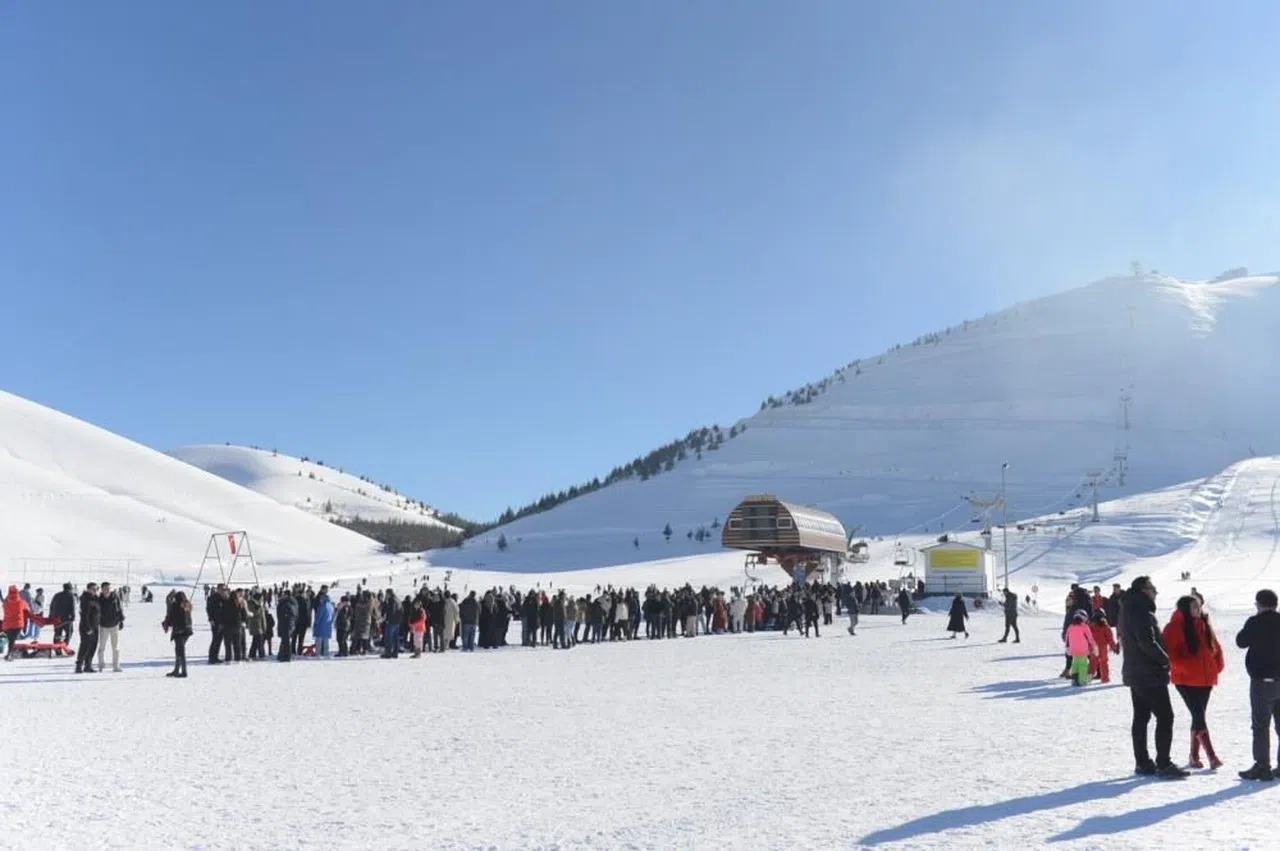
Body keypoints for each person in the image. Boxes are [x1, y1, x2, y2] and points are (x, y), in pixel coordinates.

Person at [1120, 575, 1187, 778]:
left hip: (1136, 671)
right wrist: (1166, 660)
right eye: (1152, 588)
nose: (1155, 592)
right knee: (1165, 716)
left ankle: (1143, 763)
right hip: (1148, 673)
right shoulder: (1140, 610)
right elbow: (1146, 641)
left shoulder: (1129, 608)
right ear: (1143, 589)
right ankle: (1163, 763)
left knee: (1141, 717)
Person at [1163, 594, 1224, 770]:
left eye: (1199, 606)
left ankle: (1194, 756)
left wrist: (1216, 666)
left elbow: (1216, 647)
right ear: (1185, 609)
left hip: (1205, 680)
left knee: (1198, 717)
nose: (1198, 609)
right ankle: (1211, 756)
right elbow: (1170, 655)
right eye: (1194, 607)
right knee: (1199, 716)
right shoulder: (1174, 628)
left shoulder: (1204, 625)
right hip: (1186, 680)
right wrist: (1188, 668)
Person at [1236, 588, 1280, 781]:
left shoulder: (1255, 622)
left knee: (1261, 725)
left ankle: (1262, 766)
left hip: (1261, 681)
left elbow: (1240, 641)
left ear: (1259, 604)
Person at [162, 591, 193, 678]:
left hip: (179, 631)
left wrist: (167, 622)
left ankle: (183, 671)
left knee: (180, 651)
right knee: (179, 650)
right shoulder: (187, 605)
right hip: (187, 631)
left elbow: (173, 619)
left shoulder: (176, 606)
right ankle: (177, 670)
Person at [1065, 610, 1098, 687]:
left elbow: (1067, 638)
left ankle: (1074, 680)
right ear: (1083, 618)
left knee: (1075, 664)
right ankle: (1082, 680)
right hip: (1083, 650)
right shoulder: (1084, 627)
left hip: (1073, 649)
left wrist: (1067, 647)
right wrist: (1094, 647)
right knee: (1083, 664)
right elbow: (1090, 638)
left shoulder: (1070, 626)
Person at [97, 582, 125, 673]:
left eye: (108, 588)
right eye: (105, 588)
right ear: (102, 589)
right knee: (102, 646)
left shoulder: (115, 597)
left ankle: (116, 665)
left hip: (114, 625)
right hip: (103, 626)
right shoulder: (99, 599)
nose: (107, 590)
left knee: (115, 647)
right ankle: (101, 664)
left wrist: (121, 620)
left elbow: (120, 609)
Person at [75, 582, 101, 674]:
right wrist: (88, 627)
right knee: (85, 646)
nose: (95, 591)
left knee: (93, 646)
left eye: (97, 589)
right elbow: (84, 615)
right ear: (88, 589)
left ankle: (88, 665)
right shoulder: (85, 599)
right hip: (87, 627)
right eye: (93, 589)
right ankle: (79, 665)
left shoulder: (96, 598)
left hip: (95, 626)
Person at [1089, 610, 1119, 684]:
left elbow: (1088, 636)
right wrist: (1114, 647)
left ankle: (1088, 678)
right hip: (1103, 647)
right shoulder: (1105, 626)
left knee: (1093, 662)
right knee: (1104, 662)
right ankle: (1105, 678)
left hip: (1094, 646)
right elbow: (1110, 638)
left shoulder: (1091, 626)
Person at [3, 585, 31, 660]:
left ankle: (10, 653)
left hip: (7, 624)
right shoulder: (21, 602)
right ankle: (10, 654)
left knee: (11, 639)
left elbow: (3, 607)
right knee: (12, 639)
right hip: (18, 624)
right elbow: (28, 609)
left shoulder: (6, 602)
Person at [312, 587, 335, 658]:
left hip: (320, 625)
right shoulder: (331, 606)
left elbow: (319, 616)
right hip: (328, 626)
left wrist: (315, 623)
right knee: (326, 641)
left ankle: (318, 653)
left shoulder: (322, 606)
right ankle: (326, 653)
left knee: (319, 640)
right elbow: (333, 615)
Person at [276, 589, 297, 662]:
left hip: (286, 624)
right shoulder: (291, 602)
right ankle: (282, 655)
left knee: (286, 641)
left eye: (284, 594)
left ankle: (286, 656)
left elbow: (291, 614)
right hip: (287, 624)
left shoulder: (288, 603)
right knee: (285, 641)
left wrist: (287, 619)